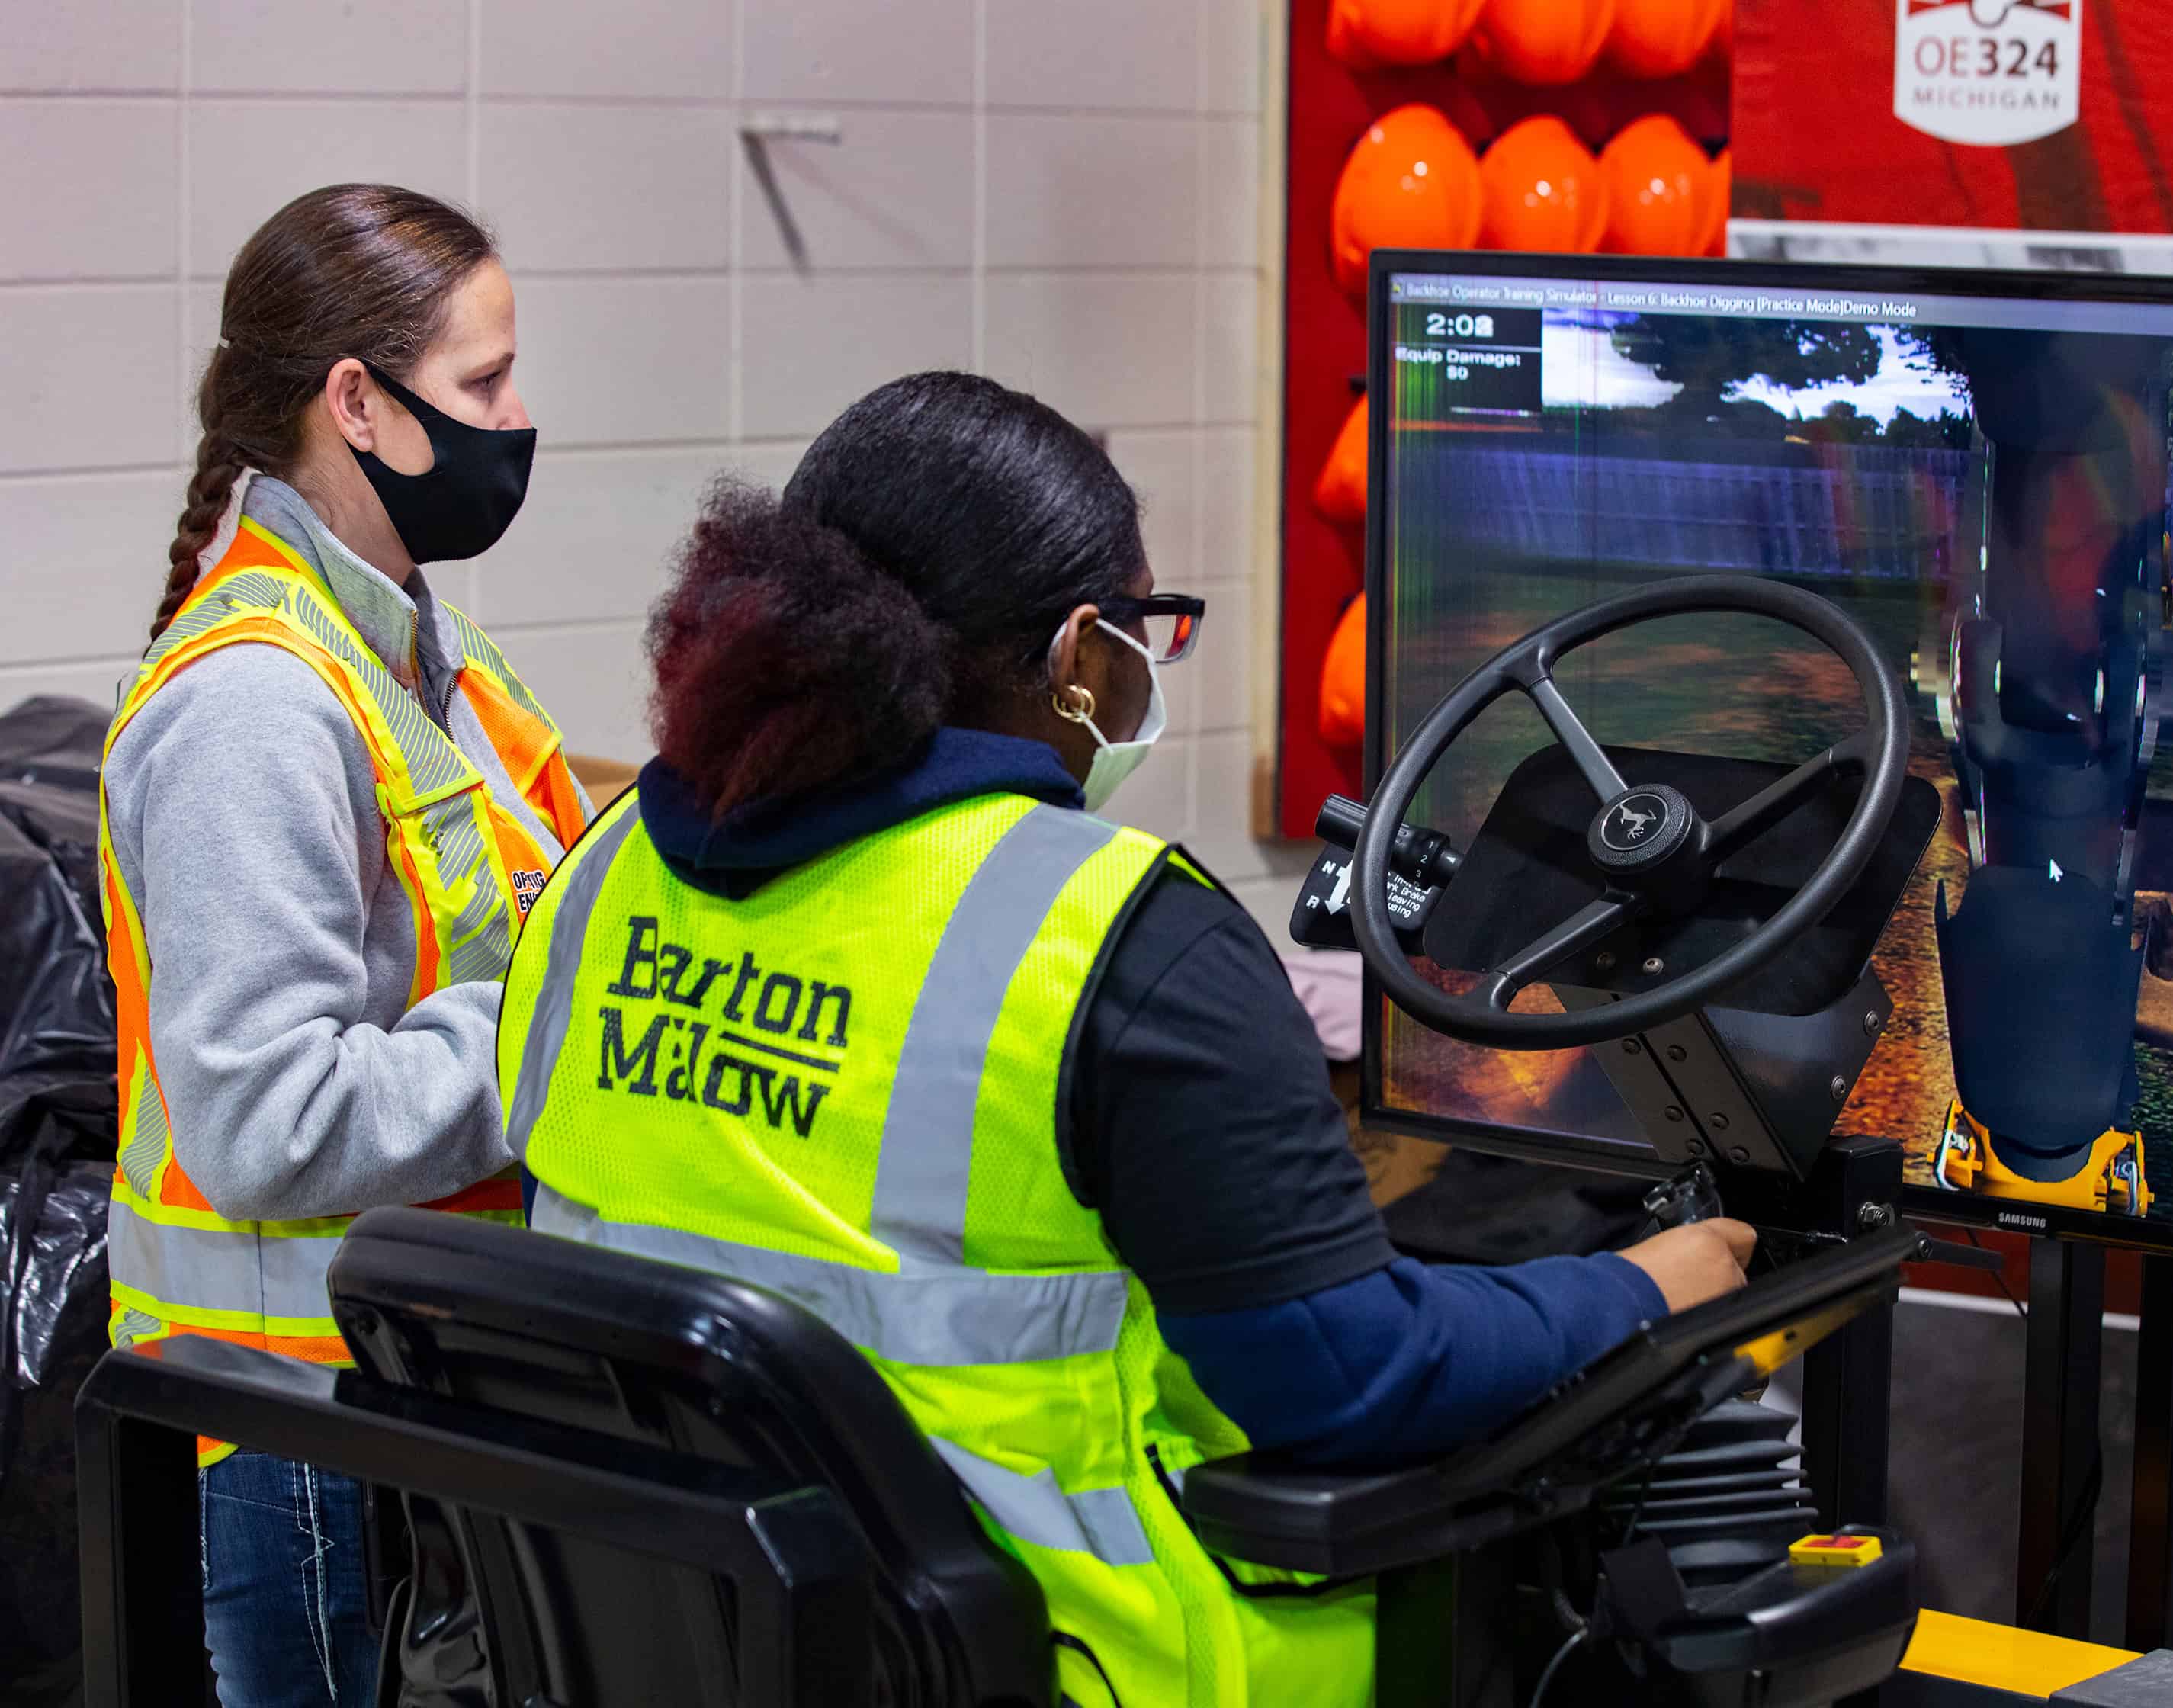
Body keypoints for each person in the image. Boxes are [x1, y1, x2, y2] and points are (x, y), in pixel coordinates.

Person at [495, 371, 1755, 1706]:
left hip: (693, 1648)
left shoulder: (604, 869)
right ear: (1080, 654)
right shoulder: (1112, 939)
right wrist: (1641, 1290)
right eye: (1151, 630)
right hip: (1086, 1661)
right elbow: (1350, 1381)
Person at [100, 184, 589, 1707]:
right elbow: (267, 1119)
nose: (519, 419)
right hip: (298, 1436)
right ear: (358, 404)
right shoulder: (254, 706)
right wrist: (558, 1037)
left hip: (410, 1383)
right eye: (485, 383)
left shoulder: (413, 643)